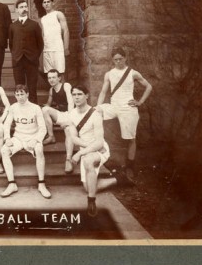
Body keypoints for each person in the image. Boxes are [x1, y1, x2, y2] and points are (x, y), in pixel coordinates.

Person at [67, 84, 133, 217]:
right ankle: (118, 179)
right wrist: (86, 147)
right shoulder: (72, 114)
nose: (77, 97)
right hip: (89, 148)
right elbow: (74, 138)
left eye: (79, 94)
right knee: (88, 187)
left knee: (88, 161)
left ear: (86, 96)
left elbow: (99, 142)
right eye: (74, 94)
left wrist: (80, 152)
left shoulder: (95, 114)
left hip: (100, 150)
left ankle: (91, 201)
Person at [96, 47, 152, 178]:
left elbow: (149, 86)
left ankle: (130, 166)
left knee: (131, 138)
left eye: (120, 59)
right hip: (114, 106)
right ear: (112, 60)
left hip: (128, 107)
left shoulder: (133, 73)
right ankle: (101, 157)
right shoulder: (109, 74)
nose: (118, 62)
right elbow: (103, 92)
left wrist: (140, 102)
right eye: (115, 60)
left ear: (125, 58)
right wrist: (98, 107)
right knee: (95, 114)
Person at [0, 85, 51, 199]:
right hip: (18, 137)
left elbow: (43, 128)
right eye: (17, 94)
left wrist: (36, 139)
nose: (20, 97)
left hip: (32, 137)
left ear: (27, 94)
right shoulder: (13, 107)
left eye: (22, 94)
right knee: (4, 150)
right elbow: (7, 124)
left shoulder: (35, 107)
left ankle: (41, 184)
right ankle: (11, 184)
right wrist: (7, 138)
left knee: (39, 148)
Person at [8, 0, 44, 104]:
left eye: (25, 7)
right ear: (17, 10)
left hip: (31, 60)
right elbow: (11, 44)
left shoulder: (34, 25)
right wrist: (16, 55)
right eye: (21, 7)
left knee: (32, 87)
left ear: (27, 8)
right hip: (18, 60)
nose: (24, 9)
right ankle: (20, 108)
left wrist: (34, 56)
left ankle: (33, 109)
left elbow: (40, 44)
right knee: (19, 87)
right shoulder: (12, 26)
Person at [41, 69, 75, 173]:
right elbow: (48, 104)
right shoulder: (51, 90)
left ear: (59, 78)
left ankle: (68, 160)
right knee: (45, 109)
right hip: (60, 115)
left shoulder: (66, 86)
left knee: (68, 131)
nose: (51, 80)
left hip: (71, 114)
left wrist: (70, 119)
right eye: (49, 78)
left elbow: (71, 103)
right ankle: (51, 136)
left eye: (53, 77)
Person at [40, 0, 70, 75]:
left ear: (53, 3)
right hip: (47, 49)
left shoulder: (58, 14)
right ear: (42, 5)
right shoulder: (43, 19)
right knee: (50, 74)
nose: (46, 4)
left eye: (48, 2)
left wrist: (66, 48)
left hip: (58, 49)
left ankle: (63, 87)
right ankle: (52, 88)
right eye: (44, 2)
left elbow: (66, 30)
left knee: (60, 72)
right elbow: (43, 35)